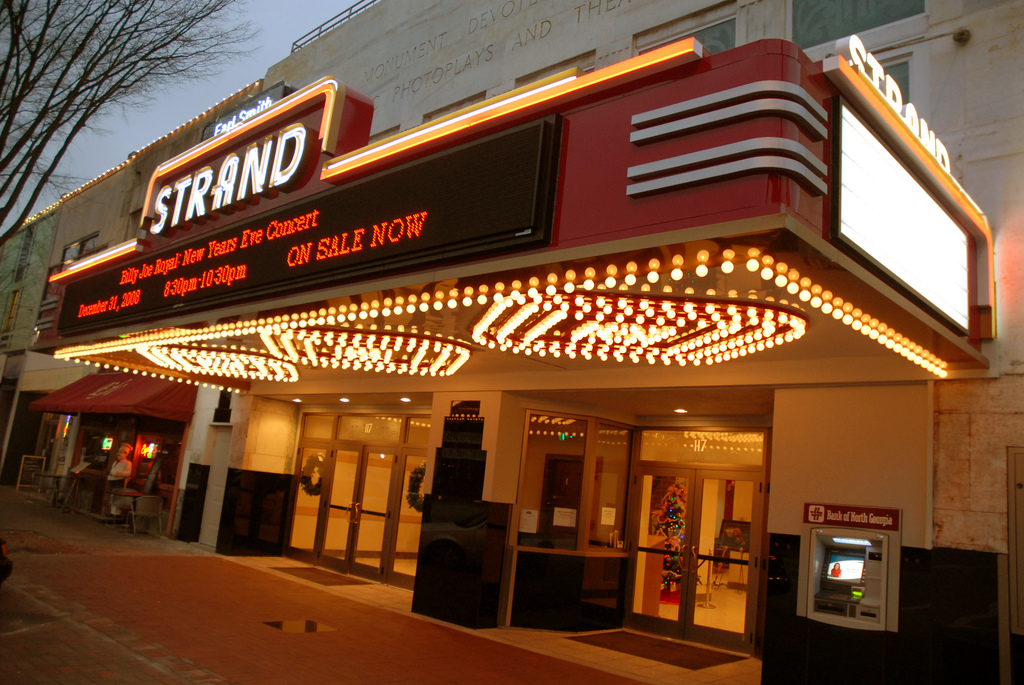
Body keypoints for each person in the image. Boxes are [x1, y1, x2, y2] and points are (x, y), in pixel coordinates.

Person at [107, 444, 134, 516]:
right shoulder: (115, 462)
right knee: (113, 496)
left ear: (126, 454)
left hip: (119, 481)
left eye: (122, 452)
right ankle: (112, 512)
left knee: (118, 497)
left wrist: (118, 473)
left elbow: (128, 473)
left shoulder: (127, 463)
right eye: (119, 452)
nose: (119, 453)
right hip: (112, 480)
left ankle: (117, 513)